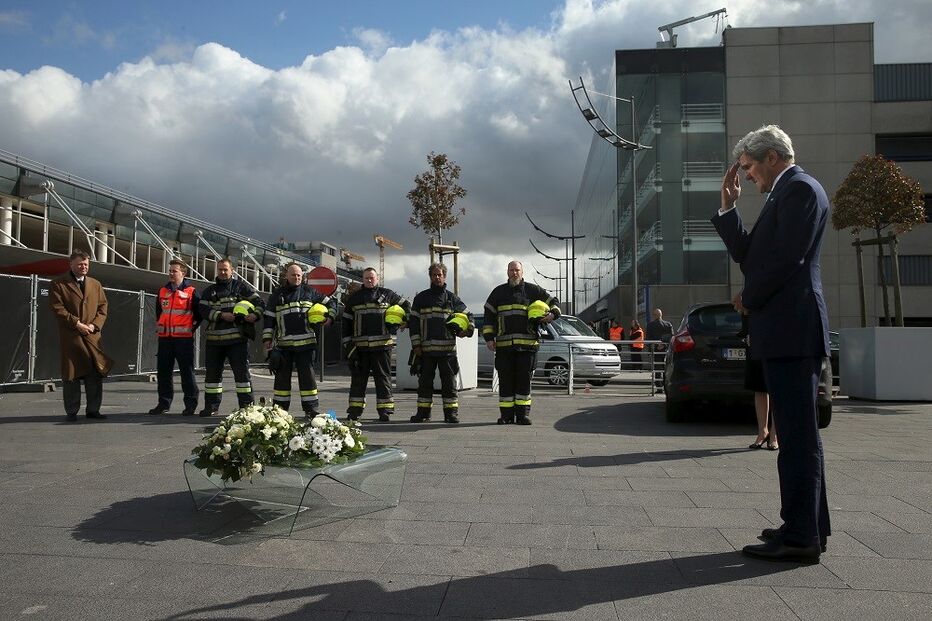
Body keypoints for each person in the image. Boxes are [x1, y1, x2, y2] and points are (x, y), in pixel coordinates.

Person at [713, 124, 830, 564]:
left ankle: (801, 537)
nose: (744, 176)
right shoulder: (785, 193)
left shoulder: (799, 189)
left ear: (771, 158)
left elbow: (786, 260)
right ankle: (807, 525)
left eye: (747, 168)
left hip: (792, 330)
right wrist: (728, 210)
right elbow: (753, 255)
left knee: (798, 438)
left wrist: (749, 297)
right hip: (786, 330)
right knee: (800, 436)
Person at [482, 260, 560, 425]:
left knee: (524, 382)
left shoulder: (533, 290)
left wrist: (553, 314)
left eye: (517, 270)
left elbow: (554, 302)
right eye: (511, 270)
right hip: (504, 348)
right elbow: (488, 315)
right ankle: (506, 416)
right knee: (505, 382)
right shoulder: (498, 292)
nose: (514, 273)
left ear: (522, 272)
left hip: (527, 347)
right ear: (507, 272)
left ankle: (522, 415)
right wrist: (489, 338)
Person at [263, 262, 336, 418]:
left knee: (308, 379)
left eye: (299, 275)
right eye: (293, 275)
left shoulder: (311, 292)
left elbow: (331, 303)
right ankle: (280, 411)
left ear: (302, 277)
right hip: (284, 345)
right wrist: (267, 339)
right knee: (282, 380)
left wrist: (330, 317)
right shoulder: (277, 295)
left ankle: (311, 409)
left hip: (306, 345)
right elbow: (269, 319)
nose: (296, 277)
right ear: (286, 276)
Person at [48, 250, 112, 421]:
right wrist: (77, 323)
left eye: (86, 264)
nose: (83, 267)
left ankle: (93, 409)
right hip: (72, 337)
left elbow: (103, 308)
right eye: (80, 264)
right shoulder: (59, 284)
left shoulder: (95, 284)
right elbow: (57, 308)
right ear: (71, 265)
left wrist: (94, 325)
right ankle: (71, 411)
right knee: (72, 375)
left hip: (92, 337)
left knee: (94, 374)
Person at [198, 258, 265, 417]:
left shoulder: (241, 288)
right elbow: (202, 309)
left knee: (242, 376)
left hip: (237, 341)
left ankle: (247, 408)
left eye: (225, 269)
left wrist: (254, 316)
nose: (222, 272)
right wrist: (221, 315)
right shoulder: (209, 291)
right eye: (220, 269)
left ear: (232, 270)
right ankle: (211, 407)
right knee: (212, 377)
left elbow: (260, 303)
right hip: (214, 342)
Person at [342, 267, 410, 422]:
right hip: (360, 348)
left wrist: (404, 321)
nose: (369, 280)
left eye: (372, 278)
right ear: (363, 279)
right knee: (358, 380)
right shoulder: (354, 298)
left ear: (377, 278)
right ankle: (354, 411)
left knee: (383, 378)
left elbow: (406, 305)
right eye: (366, 278)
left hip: (382, 347)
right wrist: (348, 346)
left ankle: (385, 411)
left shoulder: (387, 294)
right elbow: (346, 323)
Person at [409, 263, 474, 424]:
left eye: (440, 275)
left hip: (447, 351)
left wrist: (468, 330)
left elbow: (469, 316)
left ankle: (451, 414)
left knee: (449, 385)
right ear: (430, 277)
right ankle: (423, 413)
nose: (437, 277)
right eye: (434, 275)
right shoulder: (421, 298)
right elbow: (414, 323)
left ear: (444, 276)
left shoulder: (452, 299)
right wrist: (416, 345)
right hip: (426, 351)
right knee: (424, 384)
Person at [148, 259, 199, 416]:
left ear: (183, 273)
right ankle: (163, 403)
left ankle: (190, 404)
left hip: (183, 339)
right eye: (169, 270)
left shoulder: (191, 291)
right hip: (165, 339)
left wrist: (191, 327)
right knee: (163, 372)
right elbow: (159, 312)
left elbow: (198, 314)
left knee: (187, 372)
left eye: (174, 271)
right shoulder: (163, 291)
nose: (170, 273)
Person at [739, 312, 778, 451]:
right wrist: (748, 333)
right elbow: (745, 307)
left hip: (777, 338)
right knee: (759, 385)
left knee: (776, 387)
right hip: (756, 339)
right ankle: (763, 432)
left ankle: (775, 434)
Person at [645, 308, 674, 389]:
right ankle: (666, 386)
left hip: (655, 350)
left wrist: (656, 344)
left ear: (654, 315)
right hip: (666, 350)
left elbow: (648, 338)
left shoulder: (650, 325)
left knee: (657, 369)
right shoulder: (668, 324)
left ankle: (659, 387)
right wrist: (664, 345)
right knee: (666, 369)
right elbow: (672, 337)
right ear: (661, 315)